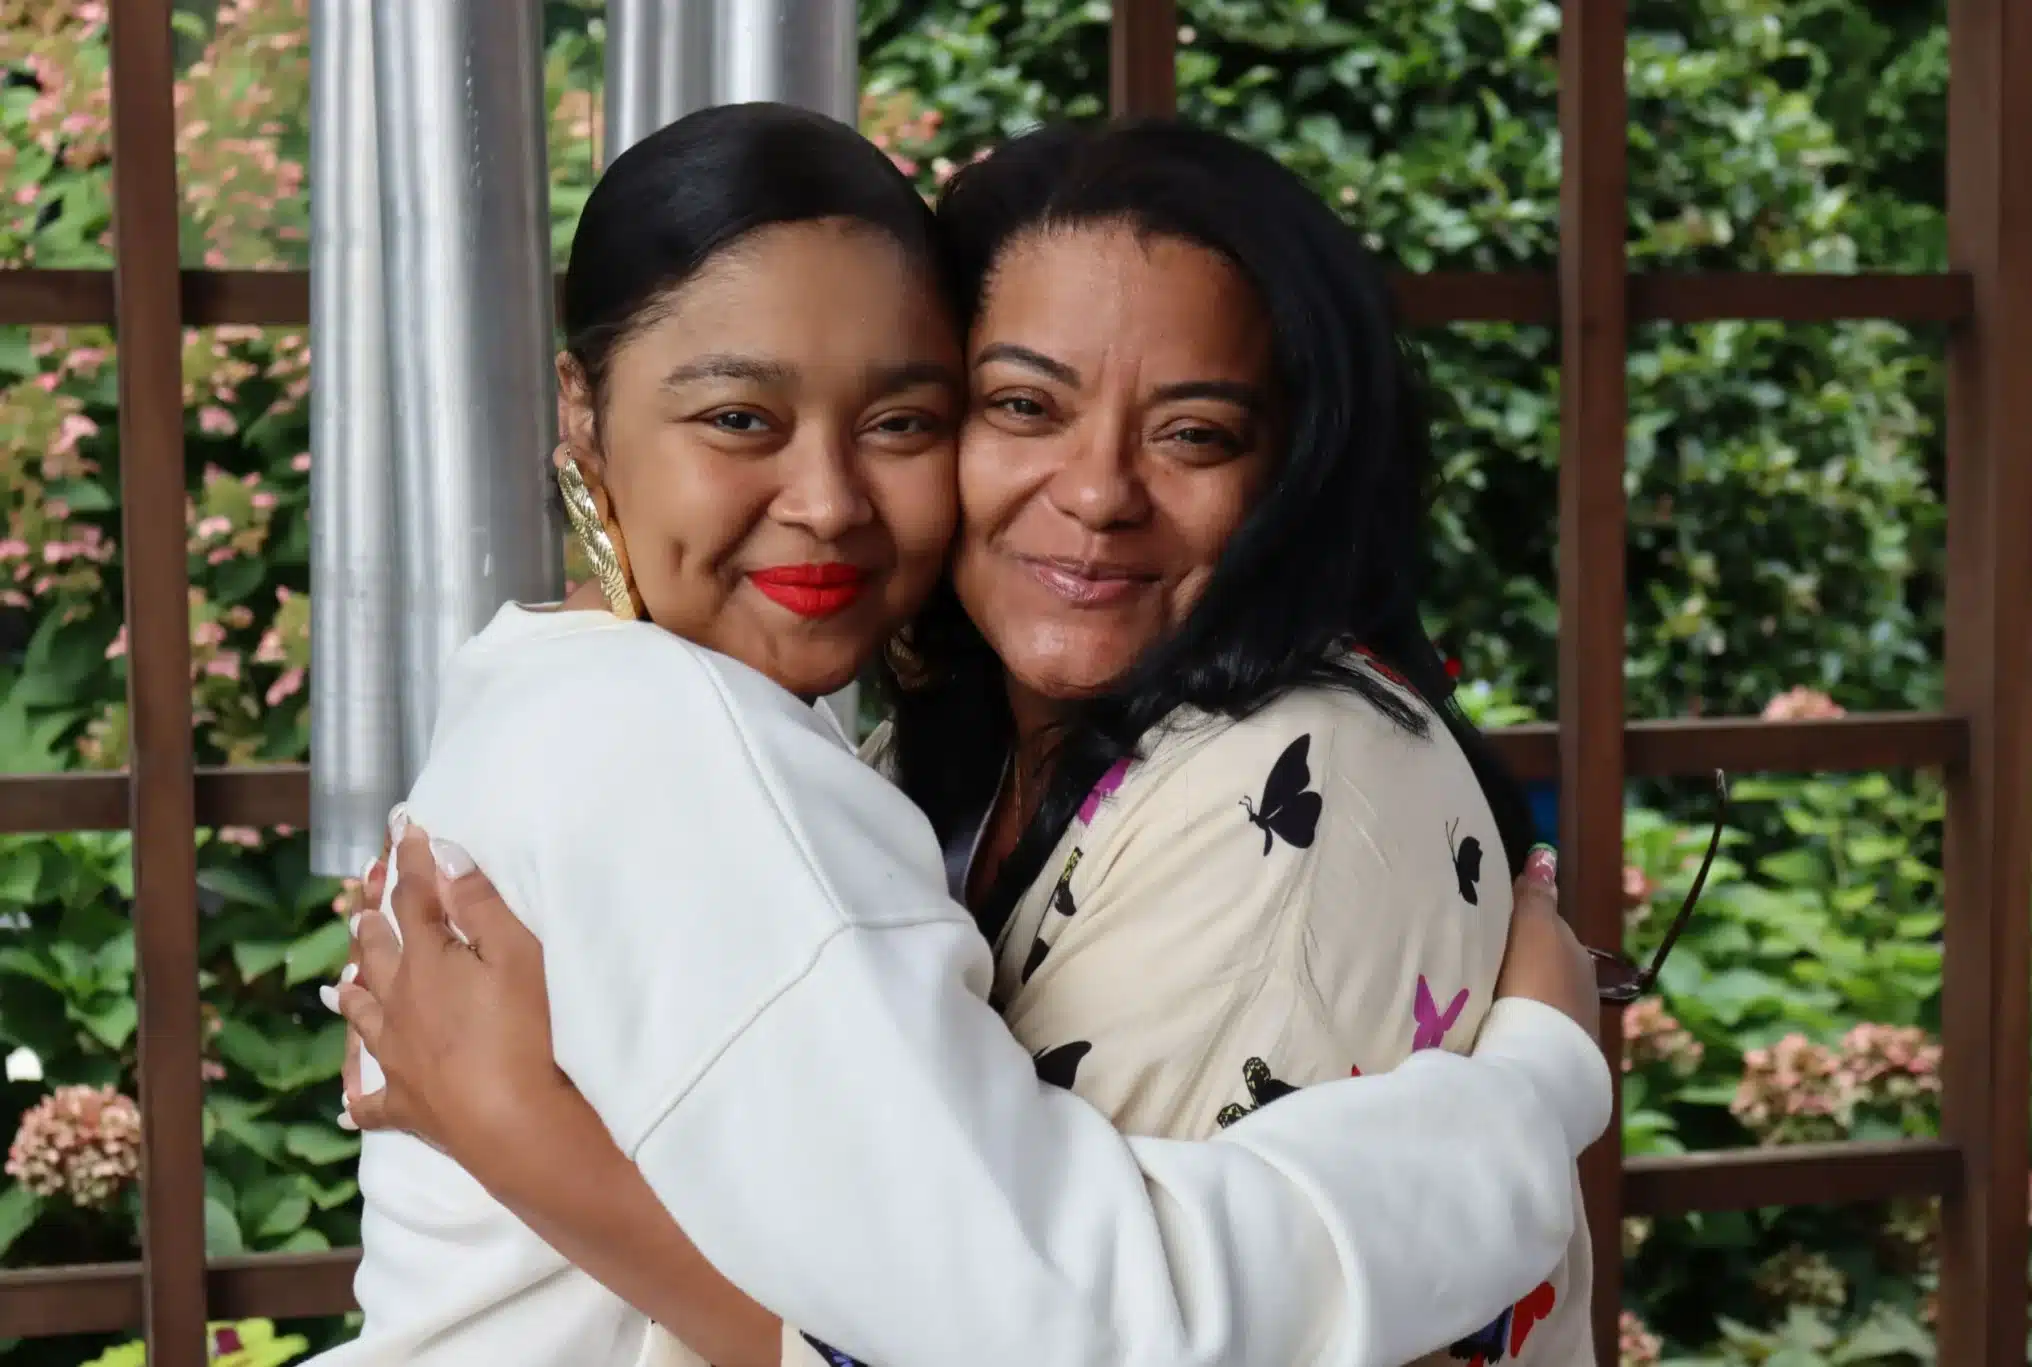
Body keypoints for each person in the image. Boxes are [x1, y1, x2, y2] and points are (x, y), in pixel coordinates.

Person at [319, 106, 1608, 1367]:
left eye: (897, 422)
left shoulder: (1289, 774)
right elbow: (1078, 1321)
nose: (1098, 494)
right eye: (1023, 406)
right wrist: (1533, 1093)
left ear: (1297, 467)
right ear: (585, 415)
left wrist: (537, 1148)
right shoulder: (685, 747)